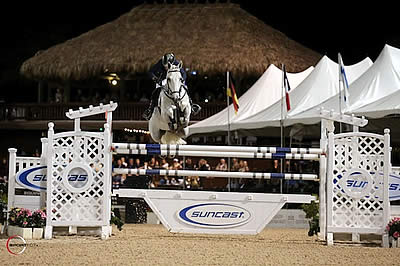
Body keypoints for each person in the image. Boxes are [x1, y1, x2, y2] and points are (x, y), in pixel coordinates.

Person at [142, 53, 201, 120]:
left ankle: (192, 105)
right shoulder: (160, 62)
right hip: (163, 80)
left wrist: (182, 80)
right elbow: (150, 72)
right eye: (164, 66)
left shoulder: (176, 63)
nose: (165, 67)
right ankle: (150, 110)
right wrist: (156, 79)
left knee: (185, 88)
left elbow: (183, 73)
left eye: (167, 66)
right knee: (155, 92)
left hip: (175, 80)